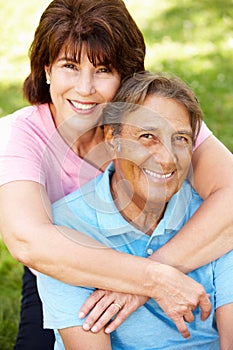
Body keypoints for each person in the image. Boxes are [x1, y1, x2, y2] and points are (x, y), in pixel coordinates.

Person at [0, 0, 232, 348]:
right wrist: (152, 280)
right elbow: (29, 241)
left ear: (126, 74)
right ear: (46, 69)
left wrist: (156, 272)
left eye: (104, 69)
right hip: (68, 270)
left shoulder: (158, 119)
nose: (85, 88)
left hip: (169, 245)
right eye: (69, 66)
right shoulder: (20, 135)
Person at [37, 72, 233, 350]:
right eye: (147, 136)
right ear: (112, 139)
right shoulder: (67, 229)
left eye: (180, 139)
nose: (166, 159)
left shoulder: (217, 219)